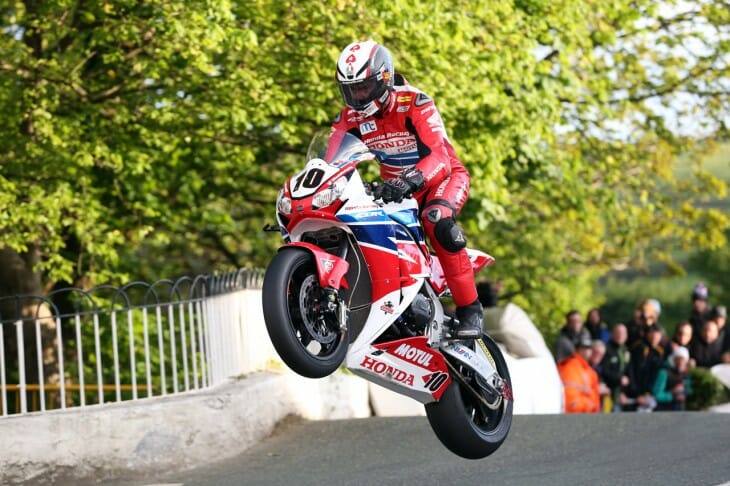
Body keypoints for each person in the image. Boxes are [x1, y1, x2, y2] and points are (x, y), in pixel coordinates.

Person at [332, 40, 482, 339]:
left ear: (384, 78)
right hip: (394, 190)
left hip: (443, 179)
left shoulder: (416, 103)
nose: (358, 97)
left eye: (364, 87)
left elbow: (439, 156)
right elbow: (330, 160)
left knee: (437, 219)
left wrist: (410, 180)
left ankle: (471, 309)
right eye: (352, 90)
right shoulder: (349, 118)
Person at [557, 332, 601, 413]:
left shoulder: (591, 372)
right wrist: (589, 405)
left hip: (588, 416)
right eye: (583, 347)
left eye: (589, 348)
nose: (587, 351)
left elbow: (595, 401)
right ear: (577, 349)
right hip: (573, 417)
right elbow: (570, 402)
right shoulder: (570, 367)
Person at [601, 323, 631, 412]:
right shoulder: (606, 349)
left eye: (622, 333)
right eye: (618, 333)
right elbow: (604, 370)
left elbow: (628, 372)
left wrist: (624, 392)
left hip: (622, 395)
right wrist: (619, 378)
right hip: (608, 394)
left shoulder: (625, 350)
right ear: (612, 334)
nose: (620, 335)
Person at [652, 346, 692, 411]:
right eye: (678, 359)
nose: (680, 363)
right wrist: (672, 394)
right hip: (664, 409)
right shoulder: (664, 373)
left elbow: (689, 391)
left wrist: (685, 394)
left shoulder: (687, 374)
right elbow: (657, 395)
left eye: (683, 360)